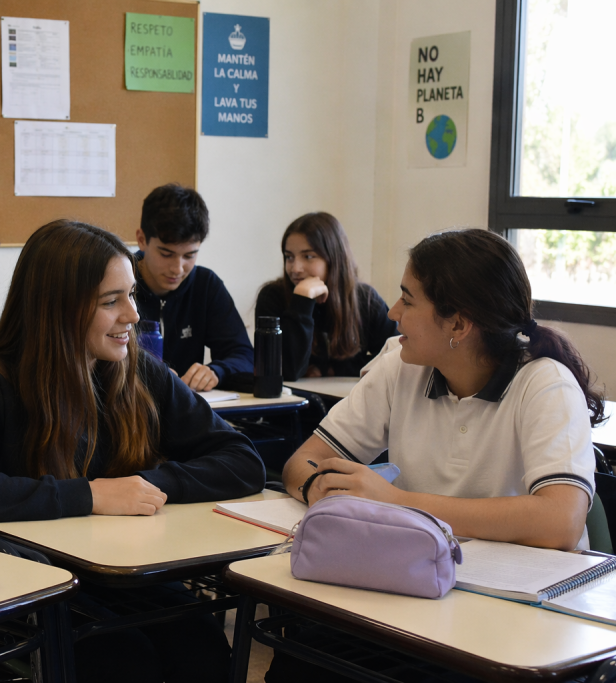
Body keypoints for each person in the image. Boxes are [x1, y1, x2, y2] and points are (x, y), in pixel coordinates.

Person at [0, 220, 265, 683]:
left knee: (200, 643)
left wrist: (145, 486)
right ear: (57, 308)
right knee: (123, 659)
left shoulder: (138, 371)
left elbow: (243, 461)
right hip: (30, 582)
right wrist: (90, 495)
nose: (132, 315)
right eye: (111, 301)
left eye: (131, 295)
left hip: (119, 573)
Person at [283, 228, 603, 551]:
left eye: (408, 301)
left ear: (458, 325)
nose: (393, 312)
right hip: (423, 568)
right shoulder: (400, 367)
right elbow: (303, 461)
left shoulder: (547, 385)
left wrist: (396, 501)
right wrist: (318, 488)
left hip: (530, 580)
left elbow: (561, 522)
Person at [133, 184, 253, 392]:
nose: (178, 269)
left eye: (189, 255)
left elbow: (244, 355)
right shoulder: (117, 284)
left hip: (186, 406)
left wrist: (217, 371)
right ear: (142, 240)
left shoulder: (206, 286)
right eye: (166, 254)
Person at [256, 212, 397, 381]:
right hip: (293, 397)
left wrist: (333, 369)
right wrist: (302, 301)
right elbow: (287, 370)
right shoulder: (272, 296)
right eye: (289, 257)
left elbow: (396, 355)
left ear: (334, 258)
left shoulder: (365, 299)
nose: (295, 268)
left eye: (308, 256)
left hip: (348, 395)